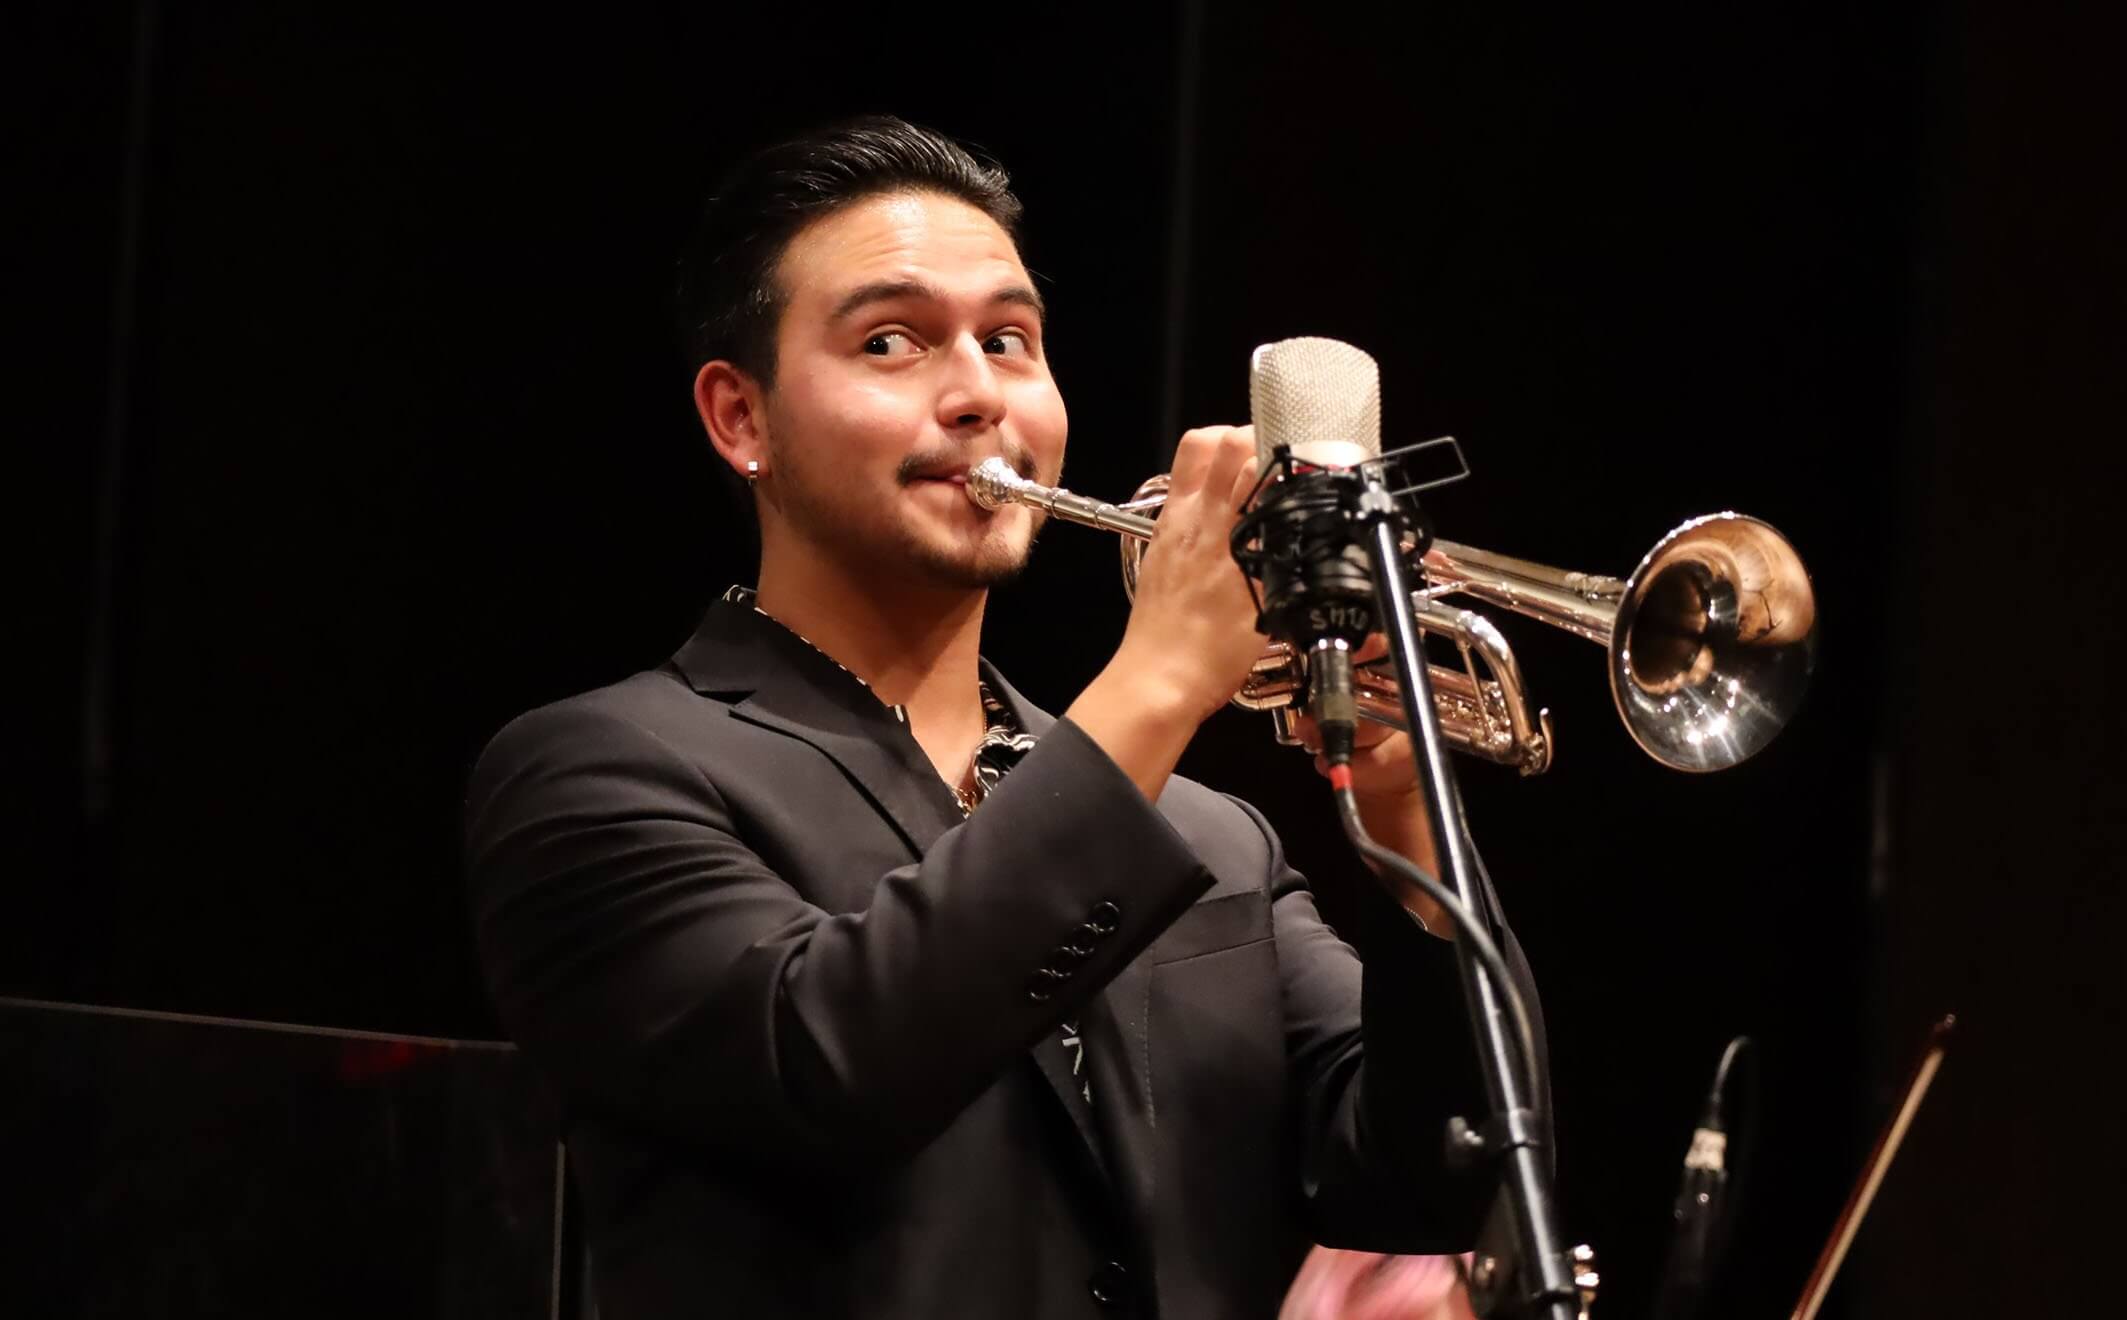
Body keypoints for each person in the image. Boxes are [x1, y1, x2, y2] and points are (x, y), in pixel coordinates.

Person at [464, 115, 1546, 1320]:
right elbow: (833, 1068)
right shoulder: (603, 773)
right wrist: (1161, 680)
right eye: (892, 342)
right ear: (740, 419)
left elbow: (1422, 1177)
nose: (978, 394)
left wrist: (1408, 827)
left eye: (1010, 341)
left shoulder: (1214, 839)